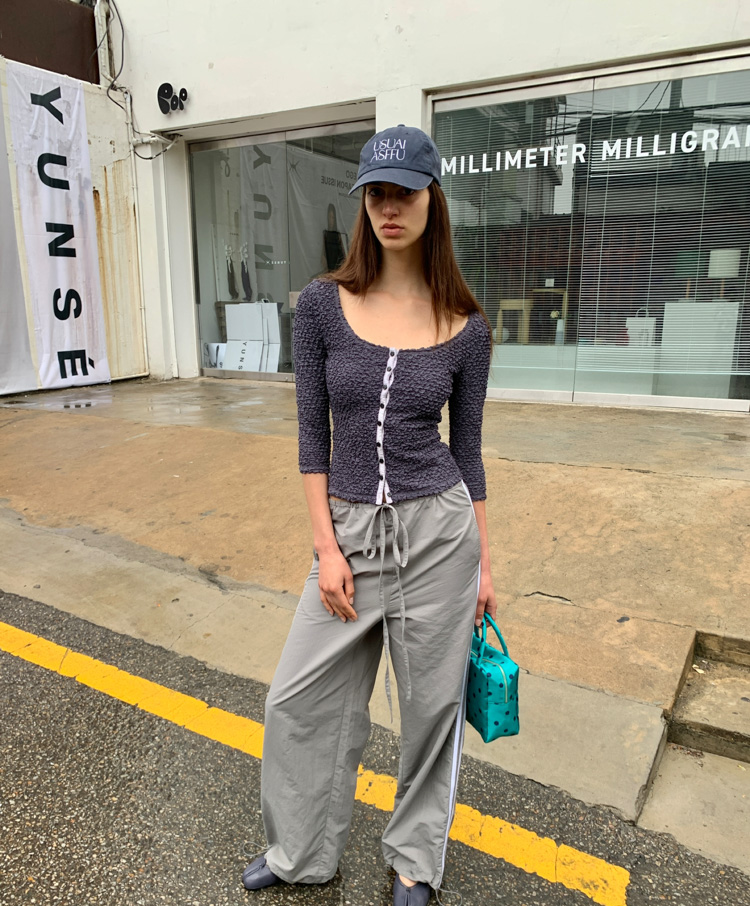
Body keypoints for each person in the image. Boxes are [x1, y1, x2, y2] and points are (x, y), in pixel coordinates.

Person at [242, 125, 497, 906]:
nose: (389, 208)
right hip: (349, 533)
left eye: (404, 193)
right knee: (297, 700)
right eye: (376, 194)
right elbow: (310, 437)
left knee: (431, 711)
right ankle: (300, 853)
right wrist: (326, 547)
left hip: (440, 536)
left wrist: (485, 566)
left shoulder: (468, 325)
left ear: (432, 200)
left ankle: (415, 862)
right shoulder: (321, 304)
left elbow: (469, 452)